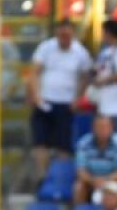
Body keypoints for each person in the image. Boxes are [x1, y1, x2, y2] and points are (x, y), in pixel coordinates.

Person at [29, 18, 92, 178]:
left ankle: (59, 178)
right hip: (45, 101)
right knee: (40, 142)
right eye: (61, 35)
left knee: (63, 145)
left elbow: (85, 77)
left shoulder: (81, 53)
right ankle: (42, 177)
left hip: (66, 104)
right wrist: (36, 96)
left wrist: (78, 99)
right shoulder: (46, 48)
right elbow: (35, 72)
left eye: (67, 35)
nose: (64, 39)